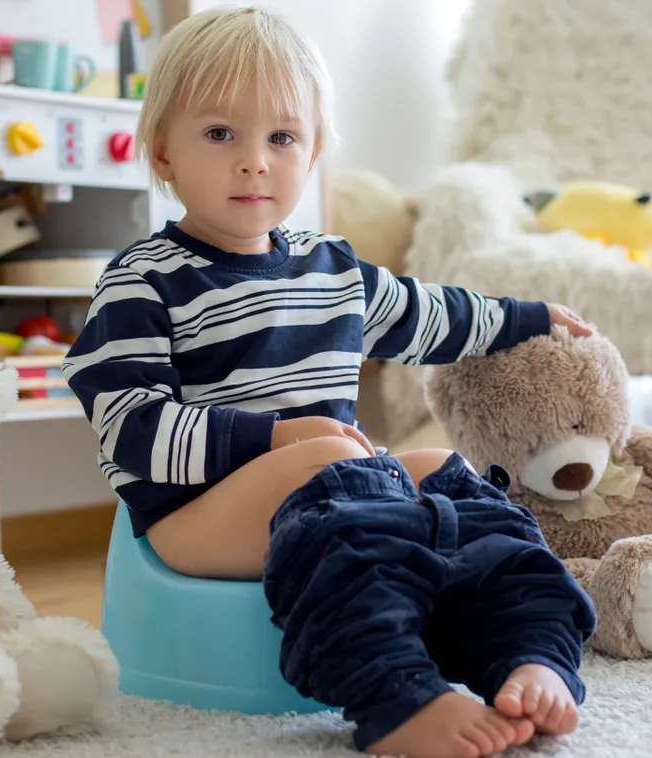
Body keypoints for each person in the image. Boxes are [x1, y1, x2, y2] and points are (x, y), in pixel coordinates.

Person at [62, 7, 597, 757]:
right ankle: (396, 694)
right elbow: (131, 429)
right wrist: (278, 439)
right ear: (162, 152)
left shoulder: (331, 269)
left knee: (450, 478)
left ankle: (528, 649)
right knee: (335, 460)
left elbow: (430, 314)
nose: (254, 161)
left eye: (281, 138)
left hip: (337, 490)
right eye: (220, 134)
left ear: (311, 152)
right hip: (194, 518)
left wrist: (527, 318)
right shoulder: (142, 280)